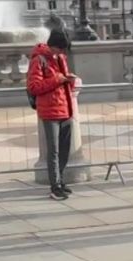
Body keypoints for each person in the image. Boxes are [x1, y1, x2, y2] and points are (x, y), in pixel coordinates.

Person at [27, 29, 78, 201]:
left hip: (65, 108)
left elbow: (63, 83)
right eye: (60, 49)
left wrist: (69, 81)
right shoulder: (38, 59)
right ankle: (54, 185)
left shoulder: (60, 58)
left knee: (64, 149)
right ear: (53, 46)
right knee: (54, 151)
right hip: (50, 111)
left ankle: (60, 181)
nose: (62, 53)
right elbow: (34, 87)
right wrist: (59, 79)